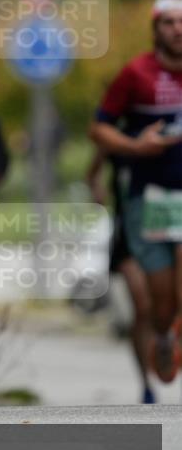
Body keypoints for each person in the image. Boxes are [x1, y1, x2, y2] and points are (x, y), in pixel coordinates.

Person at [89, 0, 182, 383]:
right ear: (155, 29)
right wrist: (135, 147)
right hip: (151, 197)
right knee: (160, 301)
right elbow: (98, 128)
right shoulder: (136, 73)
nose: (178, 30)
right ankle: (163, 333)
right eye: (169, 23)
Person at [86, 145, 155, 403]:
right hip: (128, 233)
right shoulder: (118, 137)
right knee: (143, 305)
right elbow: (92, 171)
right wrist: (96, 188)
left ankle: (165, 339)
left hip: (169, 228)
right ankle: (146, 382)